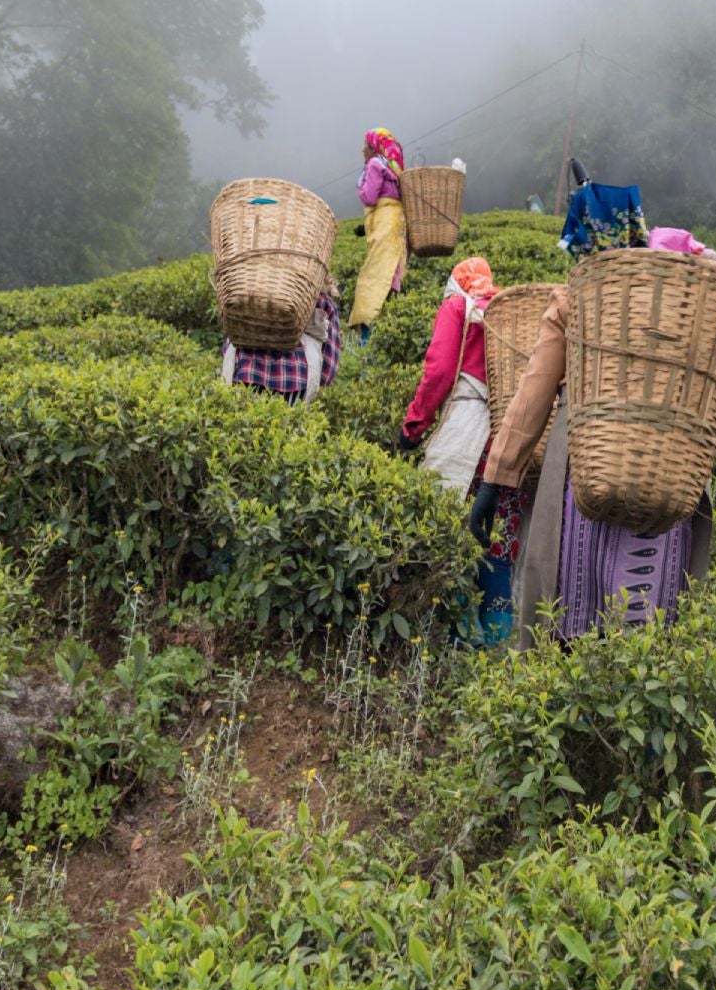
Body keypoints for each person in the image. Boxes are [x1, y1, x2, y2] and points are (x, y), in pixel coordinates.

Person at [470, 186, 716, 645]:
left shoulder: (576, 297)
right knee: (644, 618)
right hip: (665, 469)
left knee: (570, 602)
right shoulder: (688, 299)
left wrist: (495, 478)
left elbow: (534, 391)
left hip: (585, 458)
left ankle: (567, 696)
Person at [398, 256, 524, 648]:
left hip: (470, 431)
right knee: (498, 533)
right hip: (512, 433)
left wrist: (413, 427)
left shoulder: (458, 308)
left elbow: (438, 373)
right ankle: (497, 642)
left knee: (456, 525)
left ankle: (457, 636)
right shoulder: (509, 313)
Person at [221, 286, 342, 405]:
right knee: (288, 423)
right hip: (295, 382)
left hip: (245, 374)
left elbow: (232, 333)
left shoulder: (246, 290)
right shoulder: (320, 299)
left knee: (244, 422)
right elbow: (328, 367)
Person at [349, 128, 407, 343]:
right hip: (394, 225)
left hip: (384, 226)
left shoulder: (374, 164)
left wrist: (361, 188)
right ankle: (386, 331)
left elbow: (370, 196)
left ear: (373, 147)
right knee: (390, 275)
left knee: (372, 277)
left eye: (365, 144)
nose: (362, 149)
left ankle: (367, 334)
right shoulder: (392, 168)